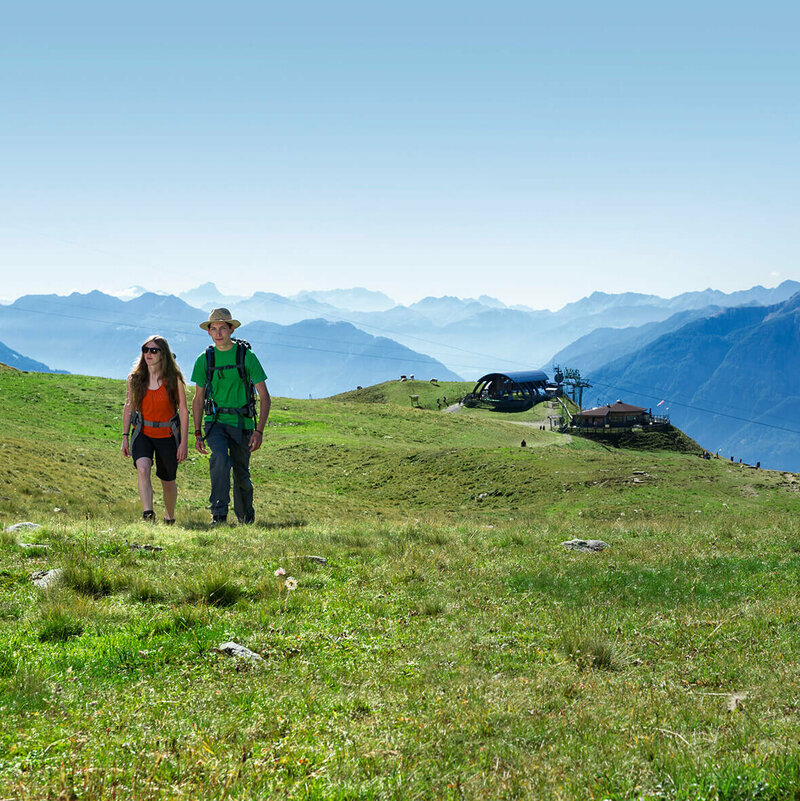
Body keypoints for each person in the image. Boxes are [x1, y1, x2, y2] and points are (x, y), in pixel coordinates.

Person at [191, 308, 271, 526]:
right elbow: (198, 399)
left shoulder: (247, 357)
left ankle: (245, 517)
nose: (218, 333)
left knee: (241, 472)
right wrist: (197, 432)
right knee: (219, 458)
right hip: (215, 422)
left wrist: (259, 431)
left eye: (222, 328)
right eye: (213, 329)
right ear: (208, 332)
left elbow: (265, 397)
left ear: (232, 329)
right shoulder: (204, 359)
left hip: (242, 423)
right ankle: (218, 514)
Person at [122, 336, 189, 523]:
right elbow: (128, 407)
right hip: (142, 432)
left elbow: (184, 411)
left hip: (167, 435)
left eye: (153, 350)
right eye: (145, 350)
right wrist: (125, 436)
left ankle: (169, 517)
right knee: (143, 469)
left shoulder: (174, 380)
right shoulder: (134, 379)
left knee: (168, 480)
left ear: (163, 354)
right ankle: (148, 515)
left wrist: (184, 442)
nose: (148, 354)